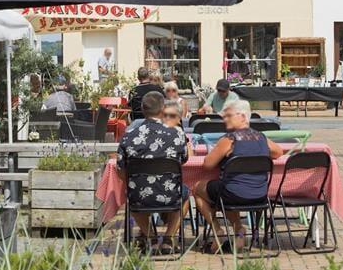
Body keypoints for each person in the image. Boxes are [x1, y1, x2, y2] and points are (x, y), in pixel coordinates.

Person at [193, 99, 283, 253]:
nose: (224, 119)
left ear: (242, 117)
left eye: (228, 115)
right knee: (230, 188)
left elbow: (208, 164)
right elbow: (278, 152)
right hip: (259, 195)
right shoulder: (261, 137)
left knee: (197, 188)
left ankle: (217, 230)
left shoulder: (229, 140)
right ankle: (239, 232)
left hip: (233, 194)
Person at [116, 91, 188, 252]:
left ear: (143, 109)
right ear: (163, 108)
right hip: (170, 193)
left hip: (139, 194)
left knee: (131, 195)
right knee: (184, 194)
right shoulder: (176, 133)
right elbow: (183, 159)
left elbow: (120, 170)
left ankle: (150, 237)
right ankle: (169, 238)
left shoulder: (128, 136)